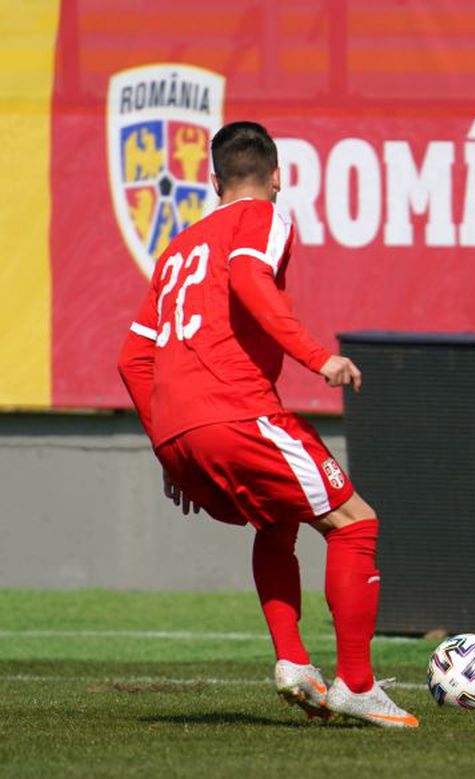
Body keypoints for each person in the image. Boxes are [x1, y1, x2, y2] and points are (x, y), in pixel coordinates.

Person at [116, 121, 418, 729]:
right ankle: (357, 685)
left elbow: (132, 358)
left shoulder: (178, 248)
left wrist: (169, 446)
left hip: (179, 429)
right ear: (277, 176)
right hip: (236, 409)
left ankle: (294, 663)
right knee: (356, 523)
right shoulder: (263, 216)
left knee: (277, 521)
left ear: (213, 181)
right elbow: (250, 279)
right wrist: (318, 357)